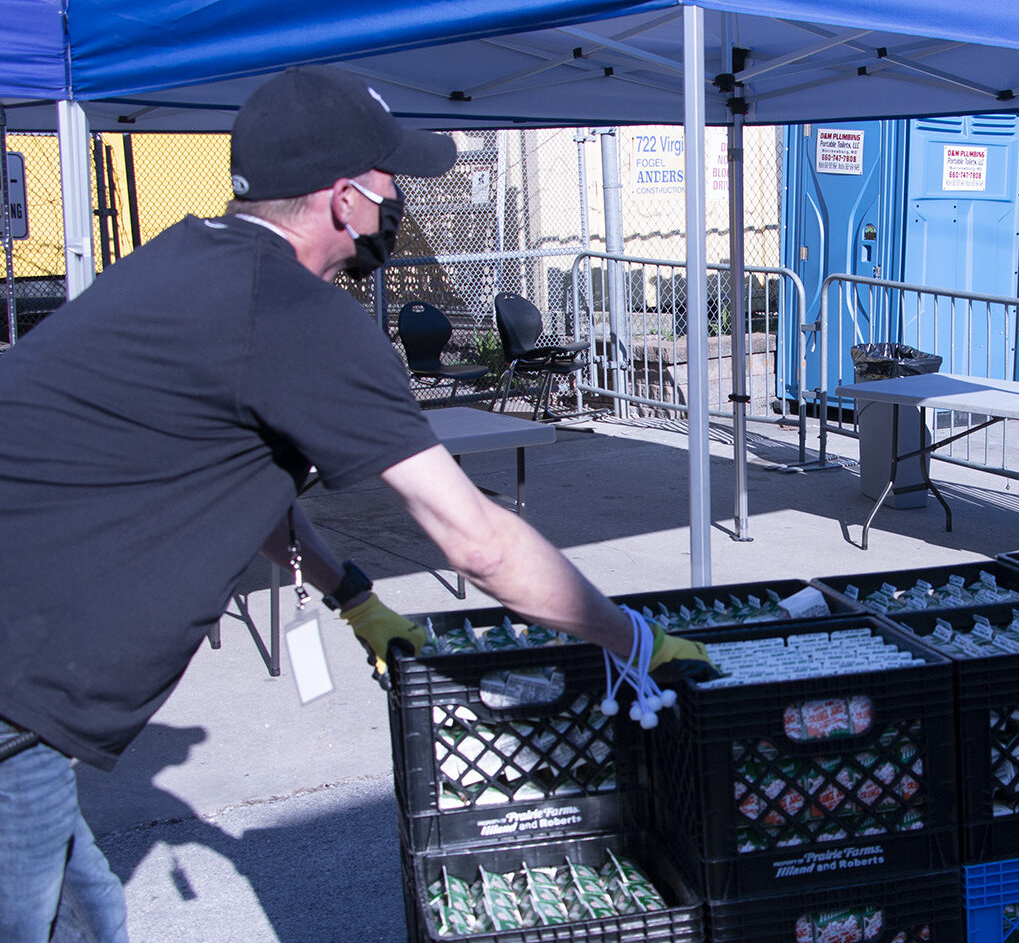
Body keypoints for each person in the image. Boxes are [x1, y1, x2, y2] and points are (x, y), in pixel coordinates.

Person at [0, 65, 712, 942]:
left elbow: (235, 476)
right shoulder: (298, 314)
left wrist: (355, 599)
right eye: (389, 186)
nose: (396, 205)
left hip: (23, 693)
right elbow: (479, 539)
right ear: (344, 200)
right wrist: (632, 638)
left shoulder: (180, 262)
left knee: (88, 907)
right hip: (12, 687)